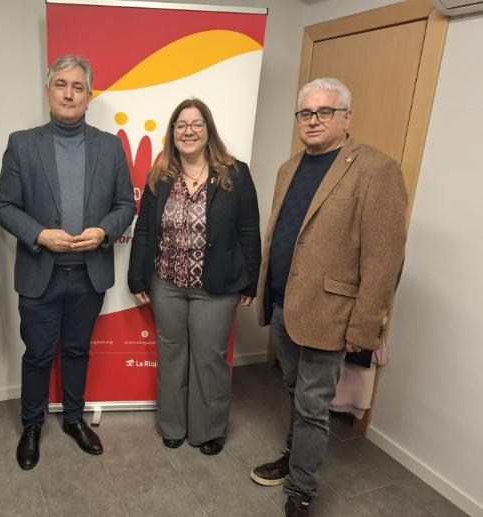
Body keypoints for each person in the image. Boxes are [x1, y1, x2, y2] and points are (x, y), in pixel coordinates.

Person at [250, 78, 407, 516]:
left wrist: (365, 326)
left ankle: (301, 490)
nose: (313, 120)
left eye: (325, 112)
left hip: (330, 314)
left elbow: (385, 258)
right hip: (283, 304)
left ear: (346, 118)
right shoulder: (289, 168)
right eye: (306, 112)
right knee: (294, 393)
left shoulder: (376, 169)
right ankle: (295, 455)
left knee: (313, 405)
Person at [0, 55, 135, 470]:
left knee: (76, 351)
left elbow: (125, 205)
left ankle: (74, 419)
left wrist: (104, 231)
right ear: (48, 91)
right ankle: (32, 426)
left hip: (89, 276)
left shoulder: (110, 146)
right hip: (41, 275)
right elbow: (4, 206)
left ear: (89, 96)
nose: (69, 94)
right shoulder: (22, 144)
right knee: (38, 355)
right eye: (61, 85)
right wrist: (40, 234)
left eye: (78, 87)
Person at [128, 98, 261, 455]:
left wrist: (250, 279)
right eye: (181, 124)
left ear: (208, 130)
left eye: (196, 124)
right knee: (171, 355)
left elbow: (249, 228)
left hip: (216, 287)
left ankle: (209, 430)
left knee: (209, 359)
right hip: (166, 284)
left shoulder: (234, 173)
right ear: (172, 132)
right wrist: (136, 276)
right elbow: (145, 230)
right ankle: (173, 425)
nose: (188, 131)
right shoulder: (160, 175)